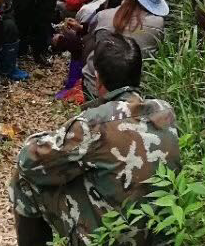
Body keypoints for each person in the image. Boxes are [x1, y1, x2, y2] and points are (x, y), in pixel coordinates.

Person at [9, 33, 180, 246]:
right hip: (162, 232)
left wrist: (44, 137)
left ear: (98, 78)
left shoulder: (94, 123)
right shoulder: (165, 111)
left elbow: (29, 160)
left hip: (115, 237)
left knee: (25, 180)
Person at [78, 0, 168, 100]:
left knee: (90, 41)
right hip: (134, 89)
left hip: (95, 85)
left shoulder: (104, 15)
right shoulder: (158, 23)